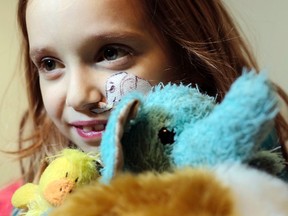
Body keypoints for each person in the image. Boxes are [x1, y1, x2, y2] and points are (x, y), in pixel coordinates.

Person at [6, 0, 288, 213]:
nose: (78, 97)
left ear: (189, 58)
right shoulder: (22, 201)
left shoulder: (260, 197)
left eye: (111, 53)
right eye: (50, 64)